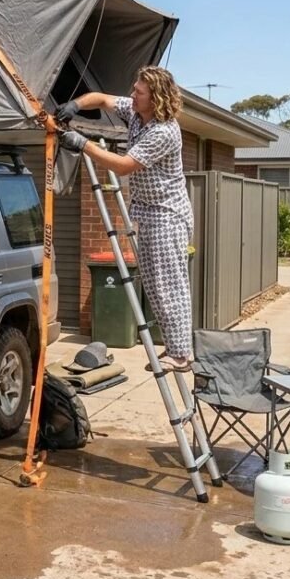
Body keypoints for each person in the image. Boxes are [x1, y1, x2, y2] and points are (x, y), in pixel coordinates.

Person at [54, 66, 195, 372]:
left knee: (169, 285)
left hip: (167, 214)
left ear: (155, 98)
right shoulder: (135, 112)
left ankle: (182, 354)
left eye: (139, 92)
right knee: (155, 285)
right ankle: (175, 348)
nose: (132, 94)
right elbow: (102, 99)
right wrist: (75, 105)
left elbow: (123, 166)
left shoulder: (163, 131)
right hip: (147, 210)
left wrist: (83, 144)